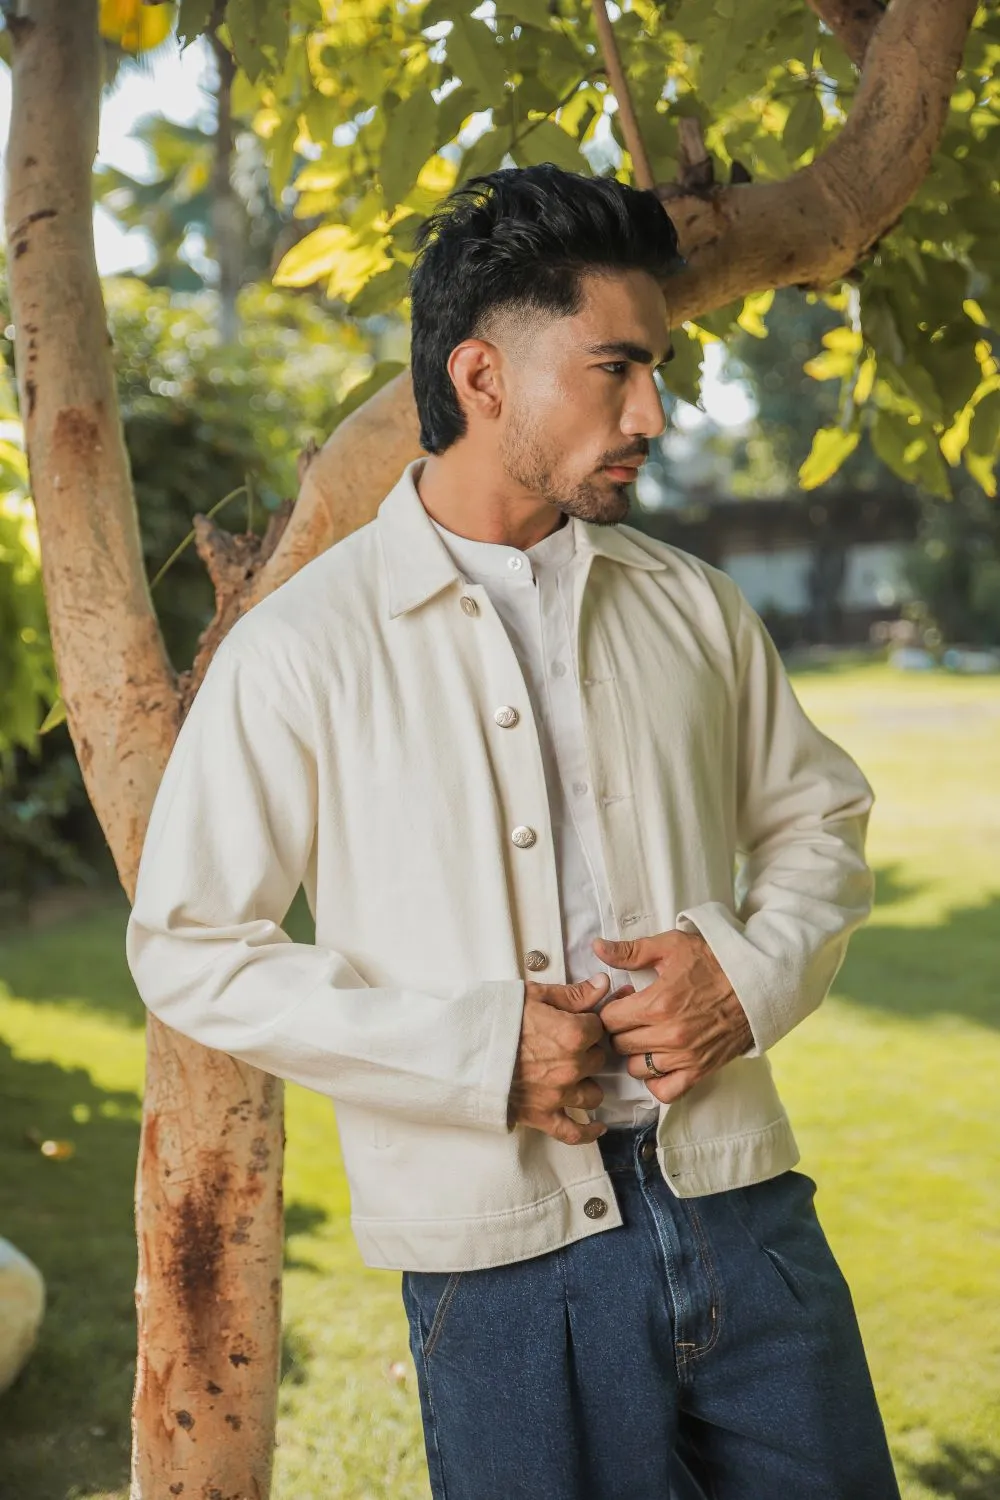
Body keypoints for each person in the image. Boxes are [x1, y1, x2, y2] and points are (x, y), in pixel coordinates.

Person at [126, 164, 901, 1499]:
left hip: (746, 1209)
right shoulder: (300, 648)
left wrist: (747, 974)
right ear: (482, 377)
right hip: (499, 1272)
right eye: (615, 369)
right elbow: (193, 945)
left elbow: (819, 820)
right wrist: (475, 1053)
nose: (653, 411)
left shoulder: (695, 607)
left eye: (655, 369)